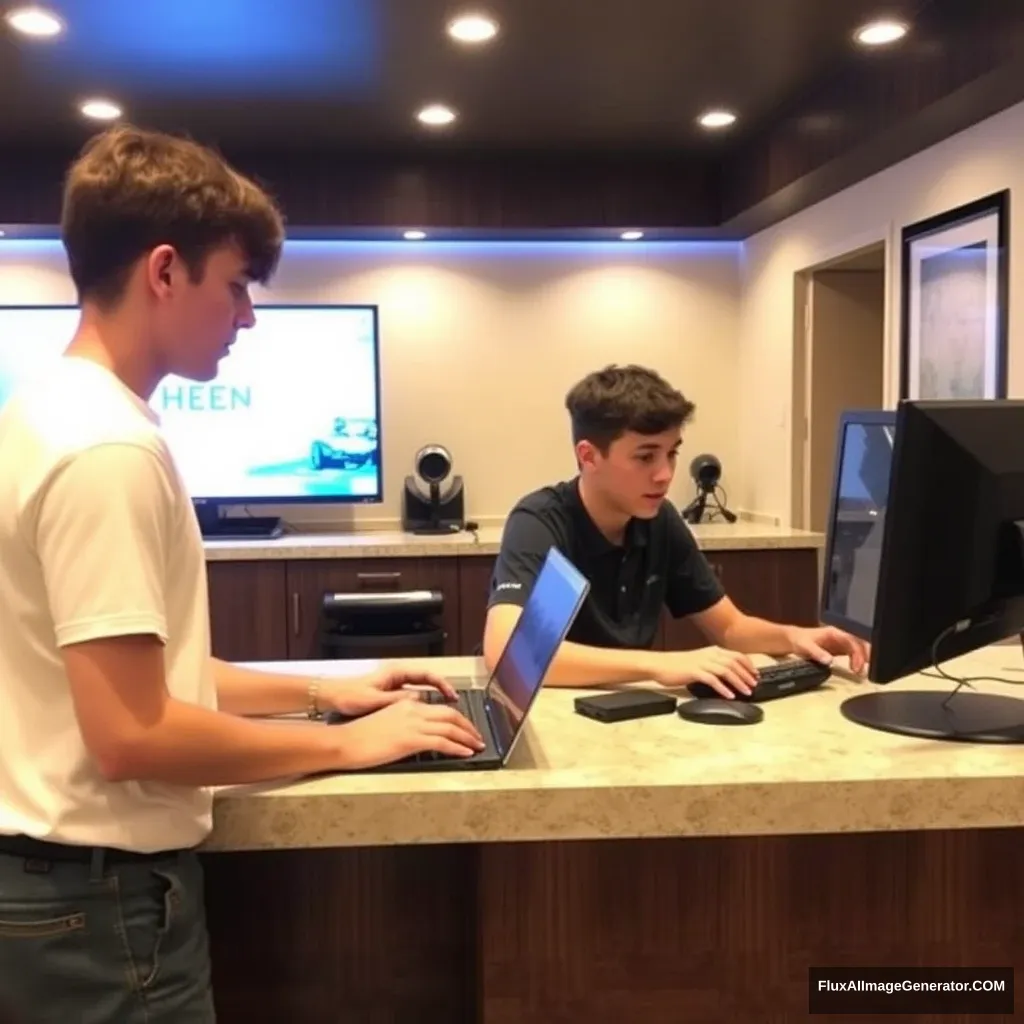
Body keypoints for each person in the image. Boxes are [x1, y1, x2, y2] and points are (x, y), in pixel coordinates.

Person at [0, 125, 483, 1024]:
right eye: (237, 287)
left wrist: (320, 696)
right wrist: (343, 747)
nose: (249, 318)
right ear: (165, 271)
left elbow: (150, 676)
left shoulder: (44, 412)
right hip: (100, 916)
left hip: (62, 899)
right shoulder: (105, 447)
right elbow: (132, 734)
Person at [483, 364, 868, 697]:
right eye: (645, 456)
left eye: (672, 453)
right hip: (551, 715)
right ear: (589, 456)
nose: (665, 474)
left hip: (627, 714)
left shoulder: (660, 521)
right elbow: (512, 656)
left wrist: (794, 638)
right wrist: (659, 666)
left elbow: (731, 627)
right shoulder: (540, 521)